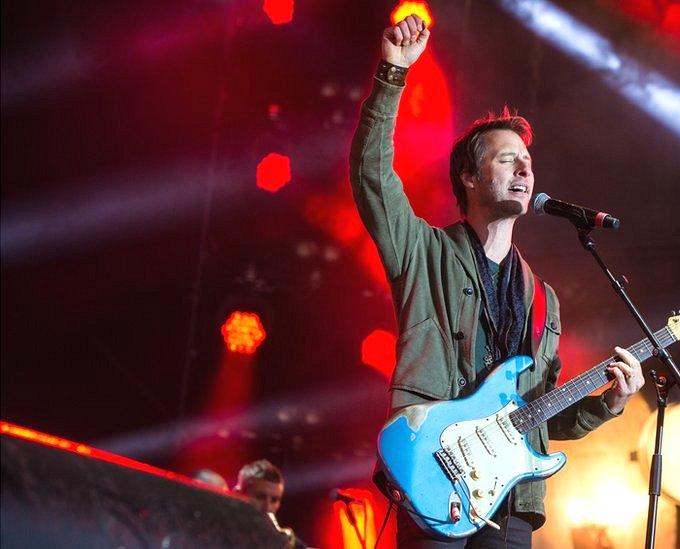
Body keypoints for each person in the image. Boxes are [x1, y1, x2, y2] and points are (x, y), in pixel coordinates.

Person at [350, 15, 646, 547]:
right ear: (469, 176)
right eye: (508, 160)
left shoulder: (543, 299)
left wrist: (609, 402)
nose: (524, 171)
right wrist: (392, 74)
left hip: (510, 501)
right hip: (432, 474)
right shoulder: (424, 252)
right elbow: (373, 176)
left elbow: (542, 414)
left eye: (528, 163)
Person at [235, 459, 307, 549]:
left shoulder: (282, 539)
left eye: (274, 500)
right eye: (260, 497)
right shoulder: (220, 528)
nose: (267, 507)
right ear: (237, 494)